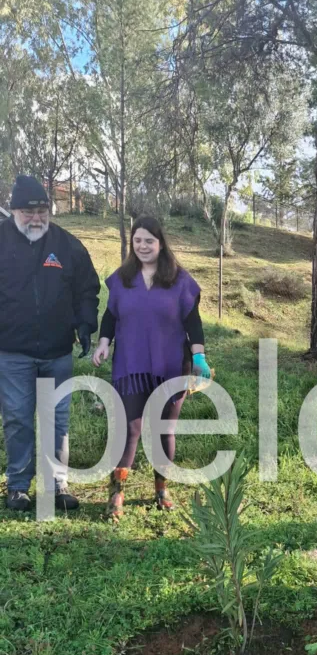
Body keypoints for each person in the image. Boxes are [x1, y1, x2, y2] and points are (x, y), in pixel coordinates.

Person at [91, 215, 211, 518]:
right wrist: (104, 342)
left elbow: (193, 323)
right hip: (131, 364)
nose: (143, 246)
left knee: (164, 429)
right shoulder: (123, 278)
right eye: (138, 240)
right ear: (133, 243)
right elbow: (110, 315)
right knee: (129, 429)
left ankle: (161, 489)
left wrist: (199, 357)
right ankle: (116, 495)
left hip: (172, 365)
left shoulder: (179, 280)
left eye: (149, 240)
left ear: (161, 244)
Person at [0, 174, 99, 512]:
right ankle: (17, 487)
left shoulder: (67, 245)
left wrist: (86, 324)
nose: (36, 217)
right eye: (28, 212)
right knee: (18, 419)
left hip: (57, 352)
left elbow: (87, 288)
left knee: (57, 420)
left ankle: (59, 485)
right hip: (12, 352)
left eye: (42, 210)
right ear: (13, 211)